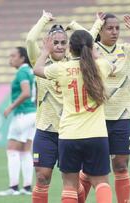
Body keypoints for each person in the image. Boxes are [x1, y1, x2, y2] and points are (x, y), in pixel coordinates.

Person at [75, 13, 130, 203]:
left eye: (117, 28)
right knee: (91, 169)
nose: (114, 32)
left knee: (121, 166)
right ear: (101, 30)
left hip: (121, 116)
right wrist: (96, 24)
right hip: (96, 117)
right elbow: (83, 44)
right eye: (109, 28)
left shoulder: (126, 49)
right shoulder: (91, 50)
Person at [26, 10, 104, 203]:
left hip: (69, 131)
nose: (59, 46)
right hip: (46, 129)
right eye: (55, 42)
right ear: (47, 43)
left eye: (63, 42)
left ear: (69, 45)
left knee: (72, 182)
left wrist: (96, 25)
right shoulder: (41, 60)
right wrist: (44, 19)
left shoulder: (75, 64)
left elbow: (88, 40)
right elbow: (29, 40)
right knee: (42, 176)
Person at [0, 47, 36, 196]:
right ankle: (26, 188)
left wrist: (10, 107)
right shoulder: (31, 72)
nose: (10, 58)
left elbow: (26, 93)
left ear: (22, 58)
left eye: (13, 56)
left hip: (22, 115)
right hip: (33, 114)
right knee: (26, 151)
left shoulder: (22, 72)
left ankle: (13, 188)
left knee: (12, 150)